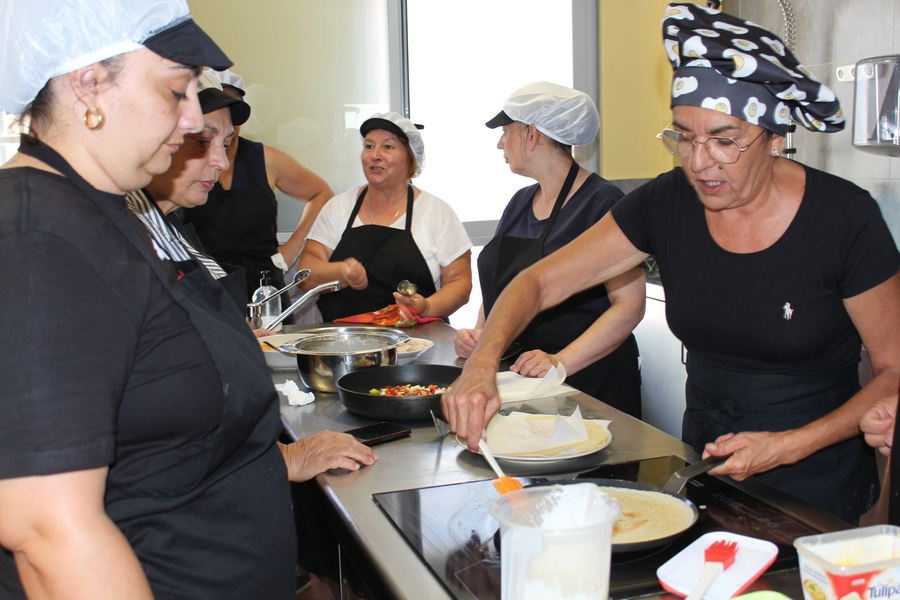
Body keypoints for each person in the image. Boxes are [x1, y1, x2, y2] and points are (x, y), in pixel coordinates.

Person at [443, 2, 900, 524]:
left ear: (776, 138)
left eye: (725, 140)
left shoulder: (843, 218)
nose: (699, 161)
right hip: (706, 462)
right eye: (684, 135)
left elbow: (892, 370)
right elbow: (539, 282)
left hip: (817, 475)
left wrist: (791, 444)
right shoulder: (667, 202)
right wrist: (483, 364)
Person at [0, 3, 374, 599]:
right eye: (177, 92)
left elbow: (155, 451)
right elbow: (48, 533)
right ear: (89, 83)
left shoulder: (110, 218)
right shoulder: (40, 240)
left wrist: (272, 463)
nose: (193, 120)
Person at [454, 82, 644, 417]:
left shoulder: (602, 203)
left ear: (532, 135)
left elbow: (629, 306)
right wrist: (482, 335)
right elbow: (502, 284)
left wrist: (560, 362)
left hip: (589, 383)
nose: (500, 143)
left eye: (505, 131)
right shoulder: (519, 202)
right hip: (524, 379)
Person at [182, 68, 335, 310]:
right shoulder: (180, 168)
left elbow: (321, 193)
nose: (225, 121)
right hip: (207, 293)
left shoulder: (265, 159)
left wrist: (293, 247)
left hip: (265, 294)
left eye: (231, 112)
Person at [299, 111, 472, 322]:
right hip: (344, 344)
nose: (375, 155)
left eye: (388, 147)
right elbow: (306, 274)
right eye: (369, 146)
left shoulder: (435, 212)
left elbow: (459, 282)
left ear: (410, 158)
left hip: (416, 344)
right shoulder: (338, 207)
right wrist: (342, 272)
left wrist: (426, 307)